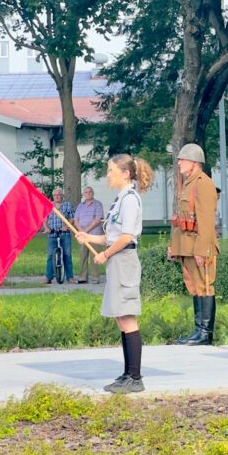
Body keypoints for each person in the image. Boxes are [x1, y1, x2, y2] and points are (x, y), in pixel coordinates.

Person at [76, 154, 151, 393]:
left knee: (127, 316)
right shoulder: (120, 200)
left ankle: (135, 377)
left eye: (111, 170)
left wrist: (105, 254)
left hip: (124, 260)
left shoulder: (130, 199)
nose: (108, 175)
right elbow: (111, 236)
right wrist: (89, 237)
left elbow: (127, 237)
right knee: (121, 316)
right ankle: (127, 373)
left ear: (125, 173)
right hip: (117, 259)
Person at [167, 143, 219, 346]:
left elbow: (206, 221)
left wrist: (202, 250)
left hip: (198, 246)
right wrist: (173, 245)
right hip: (186, 245)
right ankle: (198, 331)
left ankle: (205, 333)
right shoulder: (188, 183)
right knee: (195, 287)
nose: (179, 162)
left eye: (182, 159)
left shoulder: (203, 184)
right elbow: (180, 219)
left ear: (194, 162)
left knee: (205, 286)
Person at [74, 186, 105, 284]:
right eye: (86, 192)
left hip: (94, 235)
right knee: (82, 256)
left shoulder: (98, 204)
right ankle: (83, 277)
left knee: (94, 256)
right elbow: (76, 220)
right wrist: (80, 231)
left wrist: (86, 231)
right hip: (83, 236)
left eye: (90, 192)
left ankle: (95, 278)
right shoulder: (80, 206)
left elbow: (97, 219)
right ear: (83, 194)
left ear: (93, 193)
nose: (88, 194)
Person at [44, 187, 75, 284]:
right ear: (53, 196)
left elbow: (72, 218)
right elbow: (44, 219)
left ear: (62, 195)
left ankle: (70, 277)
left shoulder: (67, 205)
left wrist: (66, 226)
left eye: (59, 195)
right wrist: (46, 228)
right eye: (55, 195)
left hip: (64, 233)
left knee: (67, 255)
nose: (57, 197)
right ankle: (48, 277)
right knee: (50, 255)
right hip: (52, 233)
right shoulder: (49, 205)